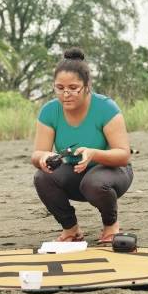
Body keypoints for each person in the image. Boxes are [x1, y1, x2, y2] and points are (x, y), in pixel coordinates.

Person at [31, 48, 133, 243]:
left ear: (87, 86)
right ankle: (71, 229)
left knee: (93, 182)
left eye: (73, 88)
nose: (66, 94)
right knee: (42, 177)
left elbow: (123, 155)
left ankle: (111, 225)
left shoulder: (106, 107)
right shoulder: (49, 111)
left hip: (112, 173)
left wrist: (93, 153)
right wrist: (43, 157)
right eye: (59, 88)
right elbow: (36, 154)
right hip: (74, 173)